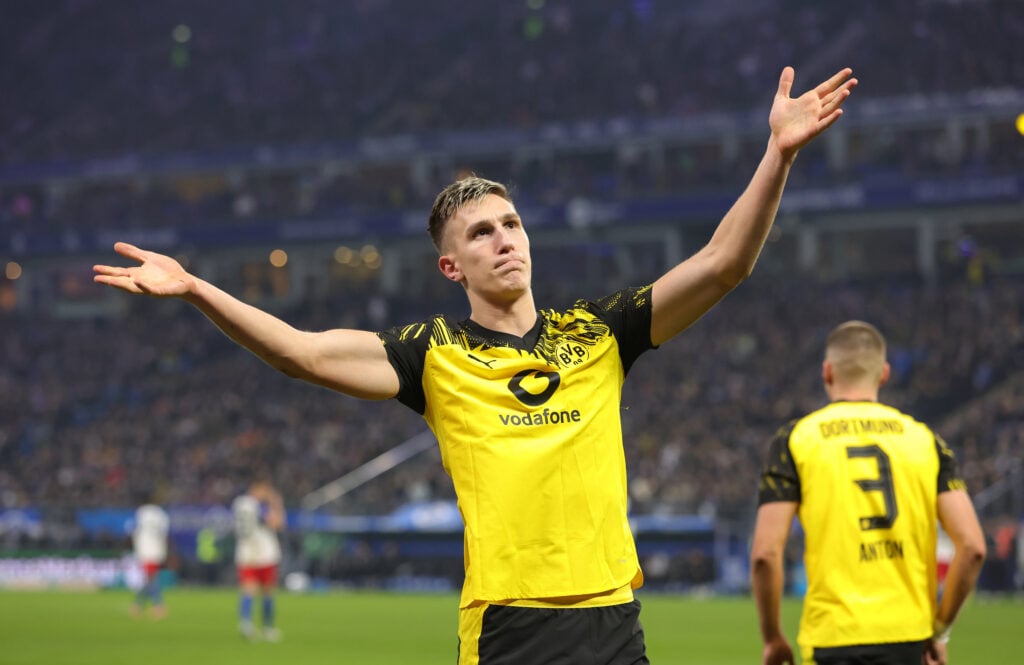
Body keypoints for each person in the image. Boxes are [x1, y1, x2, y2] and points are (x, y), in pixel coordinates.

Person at [94, 65, 857, 664]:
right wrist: (196, 288)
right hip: (508, 631)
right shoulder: (433, 352)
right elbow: (302, 352)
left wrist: (776, 156)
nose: (505, 238)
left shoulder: (600, 331)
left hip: (614, 623)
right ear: (451, 266)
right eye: (483, 231)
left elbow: (724, 263)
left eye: (513, 222)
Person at [750, 321, 987, 665]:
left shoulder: (797, 439)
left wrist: (773, 638)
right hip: (909, 638)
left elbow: (764, 554)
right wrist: (939, 630)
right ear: (885, 374)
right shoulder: (925, 440)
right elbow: (973, 547)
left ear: (827, 372)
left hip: (833, 637)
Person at [232, 481, 285, 642]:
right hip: (264, 553)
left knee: (248, 590)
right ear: (255, 489)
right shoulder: (259, 506)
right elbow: (277, 524)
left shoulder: (239, 503)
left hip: (245, 552)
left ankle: (245, 624)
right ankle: (268, 628)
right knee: (268, 592)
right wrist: (276, 502)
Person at [131, 502, 170, 619]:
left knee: (150, 578)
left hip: (144, 549)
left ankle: (140, 605)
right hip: (156, 550)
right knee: (151, 578)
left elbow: (133, 529)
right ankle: (155, 605)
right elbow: (164, 533)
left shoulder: (141, 512)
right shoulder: (162, 515)